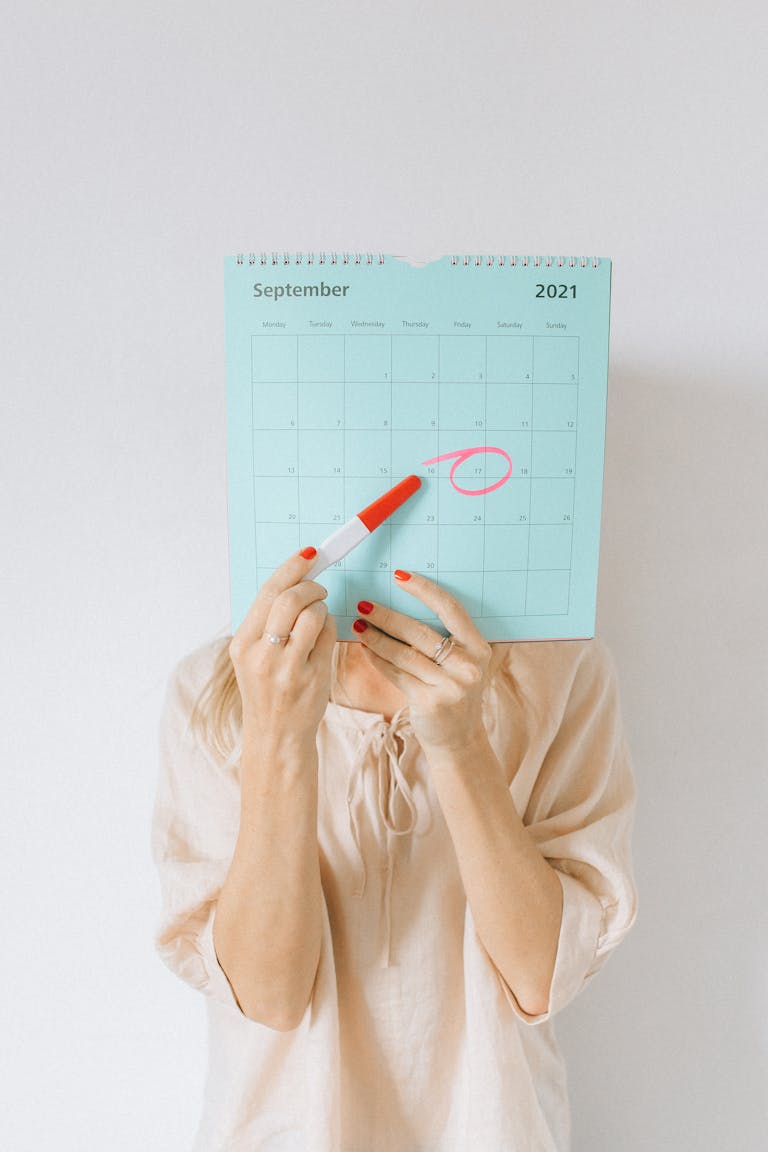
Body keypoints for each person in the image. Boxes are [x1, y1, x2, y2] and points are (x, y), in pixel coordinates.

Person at [151, 546, 639, 1152]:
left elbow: (539, 980)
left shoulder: (563, 672)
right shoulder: (220, 686)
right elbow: (268, 996)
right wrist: (278, 734)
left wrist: (461, 744)